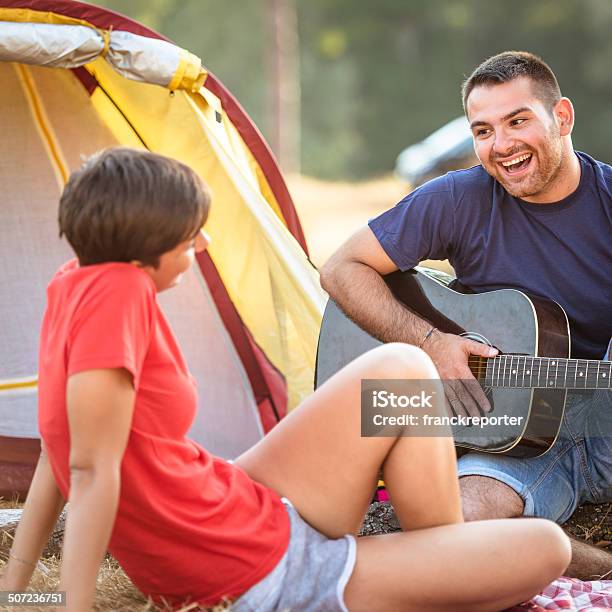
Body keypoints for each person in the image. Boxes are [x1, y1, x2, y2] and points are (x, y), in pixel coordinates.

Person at [0, 147, 570, 611]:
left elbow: (59, 446)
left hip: (233, 501)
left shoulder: (74, 282)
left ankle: (436, 557)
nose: (200, 246)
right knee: (547, 547)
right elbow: (87, 469)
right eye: (188, 235)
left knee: (405, 368)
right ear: (147, 242)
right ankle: (437, 563)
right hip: (253, 569)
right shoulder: (118, 294)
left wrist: (17, 591)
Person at [320, 51, 612, 580]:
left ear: (562, 117)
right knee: (455, 527)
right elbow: (343, 268)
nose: (501, 145)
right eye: (483, 130)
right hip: (508, 434)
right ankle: (594, 566)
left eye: (518, 121)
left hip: (604, 426)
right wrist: (431, 341)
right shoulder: (459, 197)